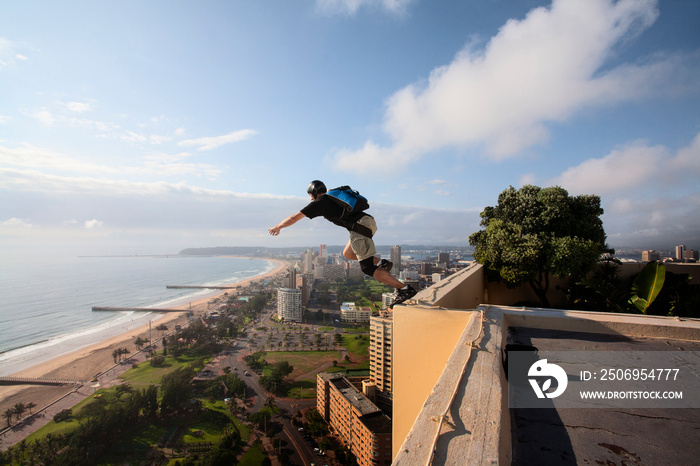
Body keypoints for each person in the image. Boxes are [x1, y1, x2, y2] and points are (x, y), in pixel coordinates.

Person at [268, 180, 417, 308]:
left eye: (310, 195)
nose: (310, 199)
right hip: (365, 223)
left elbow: (294, 218)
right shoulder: (331, 198)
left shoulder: (320, 202)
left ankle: (404, 288)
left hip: (360, 225)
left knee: (366, 268)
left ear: (313, 193)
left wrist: (278, 227)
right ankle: (381, 262)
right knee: (348, 254)